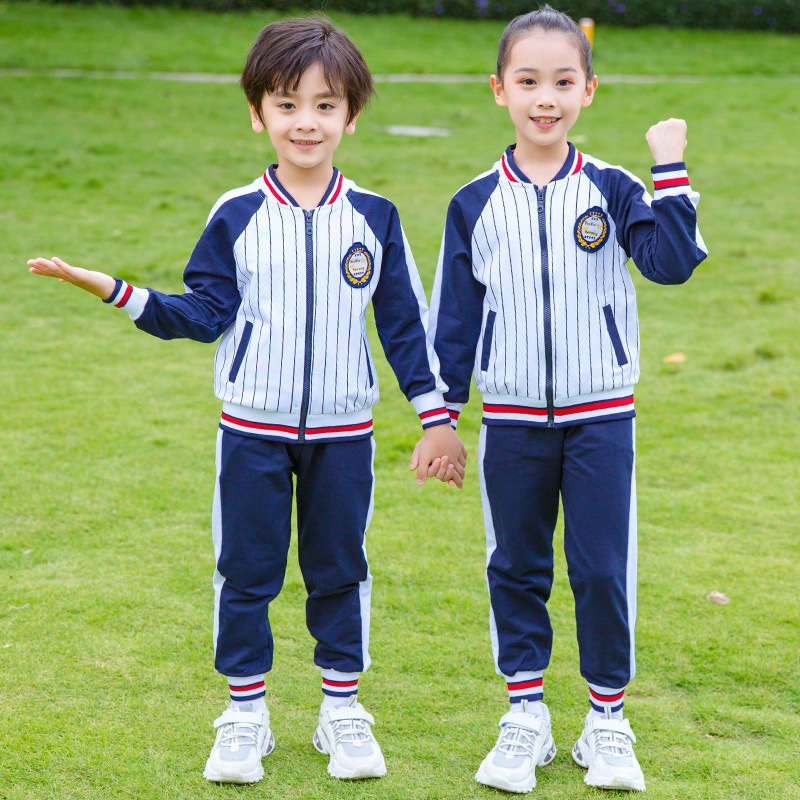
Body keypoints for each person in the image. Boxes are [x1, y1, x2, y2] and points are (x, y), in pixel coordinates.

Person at [28, 16, 466, 786]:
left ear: (352, 116)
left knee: (340, 568)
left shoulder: (375, 217)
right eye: (287, 104)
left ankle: (342, 711)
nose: (306, 121)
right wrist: (114, 290)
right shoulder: (236, 213)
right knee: (246, 571)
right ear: (258, 113)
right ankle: (244, 716)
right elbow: (203, 314)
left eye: (325, 105)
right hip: (251, 432)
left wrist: (436, 421)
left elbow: (404, 326)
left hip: (345, 434)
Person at [428, 5, 706, 794]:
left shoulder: (613, 188)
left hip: (600, 420)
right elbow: (455, 321)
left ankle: (606, 723)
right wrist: (441, 418)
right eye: (528, 82)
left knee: (601, 570)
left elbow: (672, 262)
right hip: (511, 422)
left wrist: (669, 166)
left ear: (589, 89)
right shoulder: (473, 202)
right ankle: (526, 716)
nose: (544, 98)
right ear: (499, 90)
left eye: (561, 82)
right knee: (515, 566)